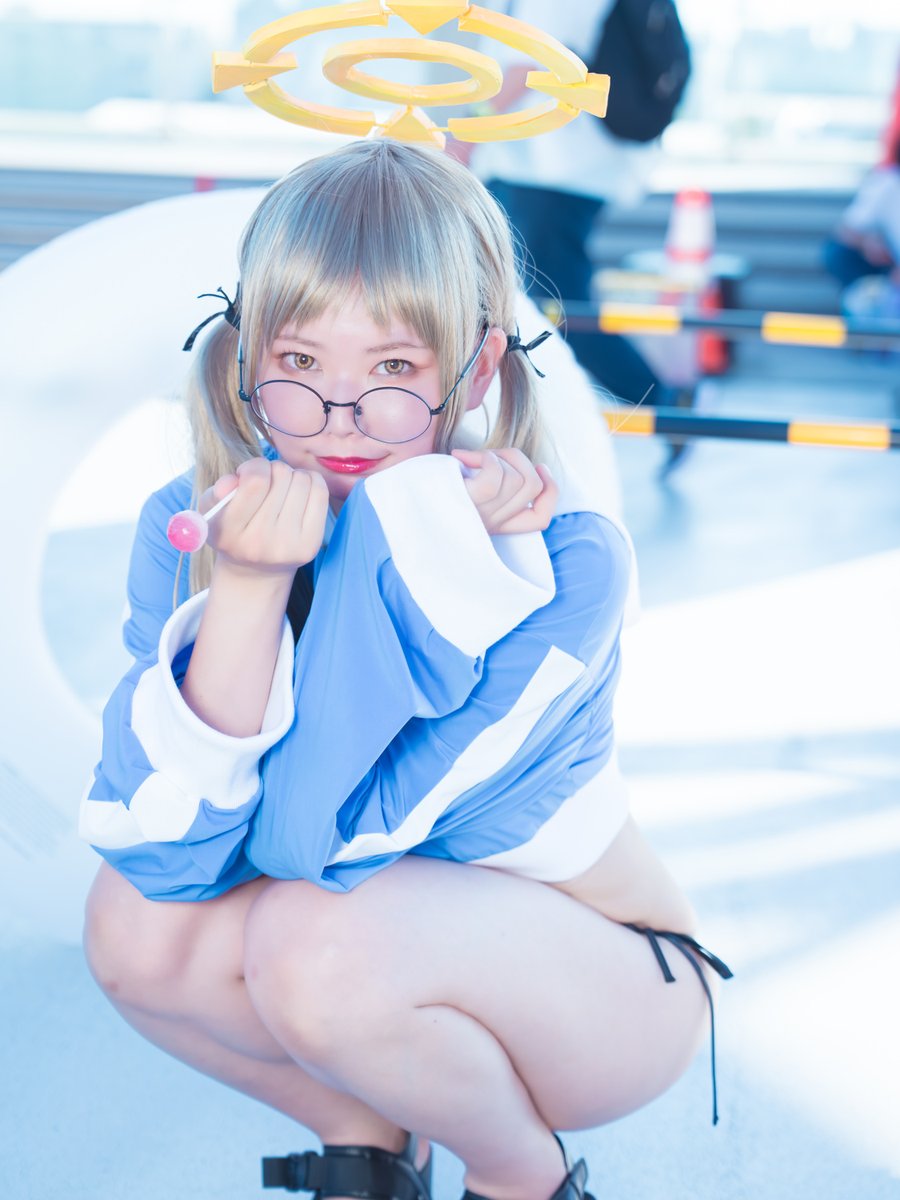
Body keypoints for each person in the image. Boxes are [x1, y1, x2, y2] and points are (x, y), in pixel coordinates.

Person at [80, 138, 729, 1200]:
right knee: (132, 924)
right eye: (299, 364)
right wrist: (245, 591)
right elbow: (163, 853)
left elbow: (316, 839)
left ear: (475, 369)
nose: (340, 420)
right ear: (245, 355)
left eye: (392, 370)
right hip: (383, 954)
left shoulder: (565, 562)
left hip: (611, 988)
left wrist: (405, 533)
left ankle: (522, 1176)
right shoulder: (193, 527)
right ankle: (370, 1145)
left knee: (310, 937)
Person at [456, 1, 673, 408]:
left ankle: (663, 402)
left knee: (556, 310)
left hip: (551, 172)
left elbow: (527, 64)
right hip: (541, 170)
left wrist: (466, 131)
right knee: (535, 306)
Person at [822, 138, 900, 308]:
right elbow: (847, 229)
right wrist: (869, 242)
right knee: (838, 252)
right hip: (887, 277)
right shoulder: (888, 183)